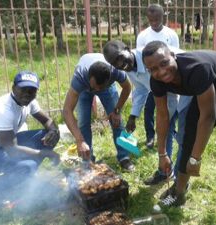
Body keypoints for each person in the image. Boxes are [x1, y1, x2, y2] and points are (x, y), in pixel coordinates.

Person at [142, 41, 216, 224]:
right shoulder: (157, 81)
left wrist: (196, 158)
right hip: (204, 92)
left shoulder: (197, 69)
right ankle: (178, 194)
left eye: (164, 63)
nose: (161, 72)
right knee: (187, 142)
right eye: (153, 69)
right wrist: (162, 153)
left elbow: (208, 116)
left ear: (172, 55)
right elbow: (162, 116)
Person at [103, 40, 192, 185]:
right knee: (165, 132)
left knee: (184, 136)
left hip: (188, 92)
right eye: (114, 63)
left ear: (127, 48)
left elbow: (169, 90)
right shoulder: (129, 67)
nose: (119, 64)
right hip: (170, 95)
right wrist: (133, 115)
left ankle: (181, 181)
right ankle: (165, 172)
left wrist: (165, 118)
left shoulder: (149, 59)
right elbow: (141, 89)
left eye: (119, 57)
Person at [0, 71, 60, 202]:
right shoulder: (2, 110)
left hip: (6, 144)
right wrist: (43, 153)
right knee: (28, 166)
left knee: (48, 136)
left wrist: (53, 130)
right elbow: (12, 149)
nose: (27, 93)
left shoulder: (28, 102)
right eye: (23, 89)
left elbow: (47, 121)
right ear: (13, 88)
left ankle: (21, 177)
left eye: (32, 90)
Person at [63, 53, 134, 171]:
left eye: (99, 88)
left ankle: (124, 157)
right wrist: (79, 141)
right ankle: (87, 160)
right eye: (95, 87)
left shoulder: (115, 71)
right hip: (85, 89)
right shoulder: (80, 77)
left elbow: (127, 87)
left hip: (107, 88)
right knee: (83, 123)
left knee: (118, 122)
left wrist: (117, 110)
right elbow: (67, 111)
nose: (96, 91)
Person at [137, 3, 180, 149]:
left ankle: (170, 132)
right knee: (149, 109)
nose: (154, 23)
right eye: (151, 20)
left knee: (171, 109)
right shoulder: (143, 36)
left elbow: (175, 55)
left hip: (169, 78)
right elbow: (141, 59)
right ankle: (150, 136)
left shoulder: (171, 34)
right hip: (153, 81)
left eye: (157, 19)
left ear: (163, 17)